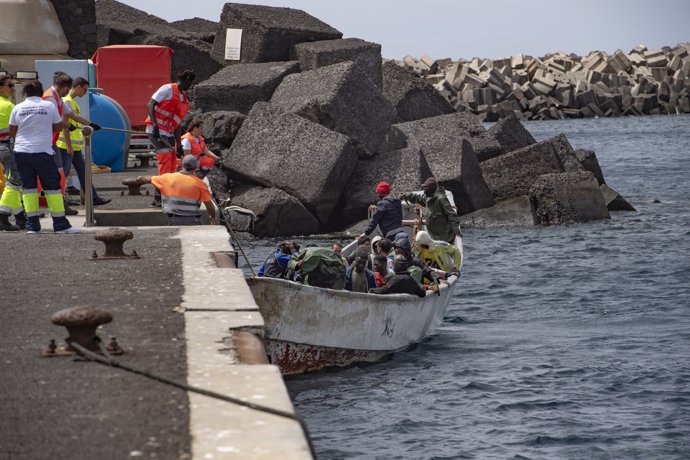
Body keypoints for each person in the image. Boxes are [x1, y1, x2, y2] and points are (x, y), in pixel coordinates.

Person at [9, 80, 79, 233]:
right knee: (52, 187)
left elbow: (12, 131)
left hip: (21, 152)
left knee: (28, 188)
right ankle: (60, 224)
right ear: (40, 92)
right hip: (42, 152)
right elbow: (58, 127)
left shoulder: (18, 108)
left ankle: (32, 226)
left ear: (25, 93)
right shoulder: (49, 106)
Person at [43, 72, 101, 215]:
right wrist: (68, 127)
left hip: (53, 142)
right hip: (50, 143)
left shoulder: (57, 98)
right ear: (65, 87)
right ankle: (58, 205)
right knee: (58, 175)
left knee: (62, 174)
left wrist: (91, 124)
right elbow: (54, 120)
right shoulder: (51, 98)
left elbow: (73, 116)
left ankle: (63, 204)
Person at [55, 77, 110, 206]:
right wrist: (68, 146)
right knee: (63, 174)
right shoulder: (67, 102)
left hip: (74, 147)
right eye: (84, 90)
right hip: (66, 147)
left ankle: (93, 198)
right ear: (78, 87)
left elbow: (76, 118)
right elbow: (65, 126)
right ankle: (59, 201)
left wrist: (91, 124)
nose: (85, 93)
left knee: (84, 172)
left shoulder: (72, 102)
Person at [145, 69, 194, 207]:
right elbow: (150, 104)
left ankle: (166, 195)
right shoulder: (167, 89)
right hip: (156, 131)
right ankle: (158, 198)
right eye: (189, 83)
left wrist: (179, 145)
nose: (189, 87)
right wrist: (155, 126)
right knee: (166, 161)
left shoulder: (183, 99)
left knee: (173, 163)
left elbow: (177, 124)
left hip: (168, 133)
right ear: (186, 80)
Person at [133, 155, 217, 226]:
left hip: (173, 219)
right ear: (196, 167)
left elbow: (146, 179)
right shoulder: (200, 184)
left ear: (182, 165)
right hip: (193, 220)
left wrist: (139, 179)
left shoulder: (167, 178)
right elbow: (209, 206)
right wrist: (213, 217)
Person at [401, 177, 462, 243]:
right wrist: (406, 196)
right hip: (433, 236)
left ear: (431, 189)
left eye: (425, 188)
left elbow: (451, 214)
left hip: (444, 237)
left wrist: (456, 230)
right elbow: (417, 198)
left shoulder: (441, 199)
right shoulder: (428, 197)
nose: (424, 190)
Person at [0, 75, 26, 231]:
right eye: (10, 85)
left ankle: (19, 216)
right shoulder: (8, 106)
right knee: (15, 182)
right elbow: (19, 128)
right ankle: (2, 216)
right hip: (8, 147)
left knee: (13, 181)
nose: (12, 88)